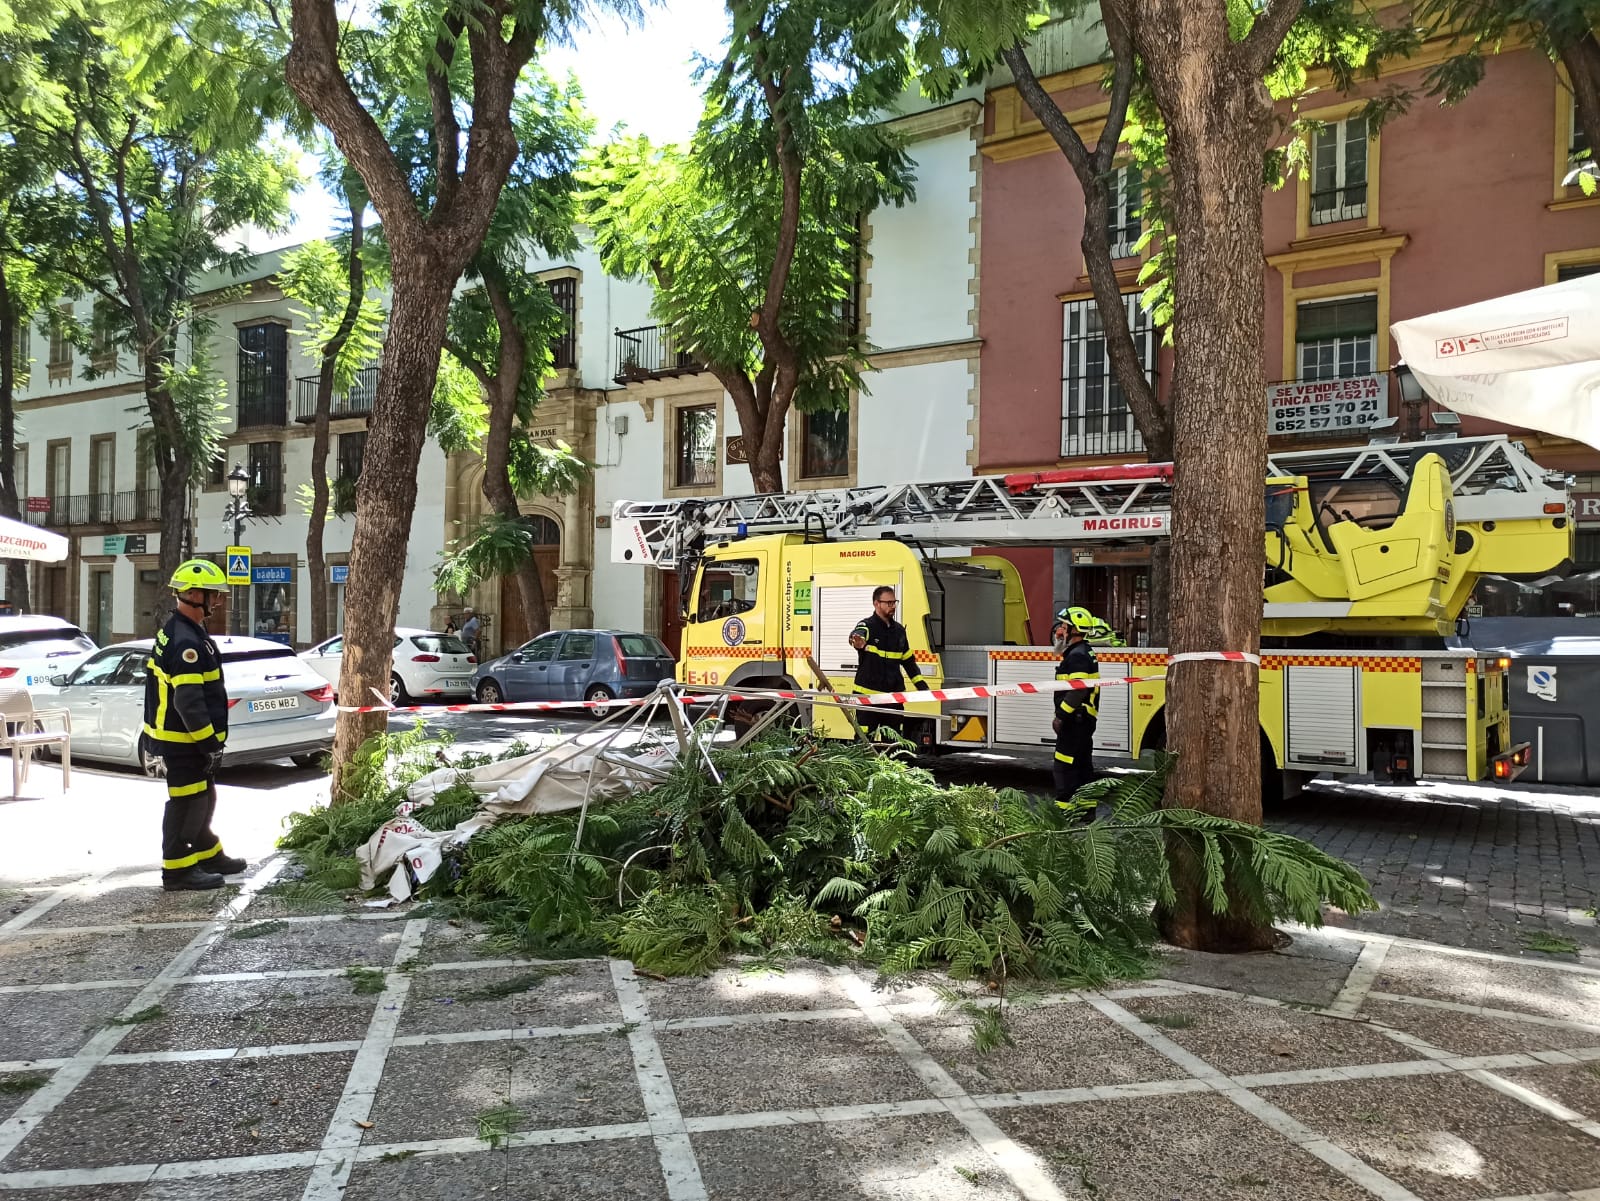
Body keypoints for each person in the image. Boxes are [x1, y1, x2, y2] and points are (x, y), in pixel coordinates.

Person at [142, 560, 247, 892]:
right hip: (182, 741)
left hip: (188, 740)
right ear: (192, 594)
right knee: (187, 802)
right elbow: (188, 702)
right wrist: (210, 744)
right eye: (212, 595)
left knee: (204, 797)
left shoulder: (186, 632)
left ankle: (207, 853)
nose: (217, 601)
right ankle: (177, 870)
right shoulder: (186, 641)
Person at [848, 585, 929, 735]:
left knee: (893, 741)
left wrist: (922, 686)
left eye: (894, 602)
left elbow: (908, 661)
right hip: (868, 699)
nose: (893, 606)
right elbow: (857, 634)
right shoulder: (867, 626)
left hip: (893, 699)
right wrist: (856, 640)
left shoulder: (899, 631)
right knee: (864, 742)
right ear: (876, 603)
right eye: (889, 603)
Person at [1052, 607, 1102, 811]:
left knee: (1064, 765)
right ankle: (1086, 809)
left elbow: (1077, 690)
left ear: (1074, 630)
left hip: (1075, 719)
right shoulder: (1082, 651)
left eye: (1064, 625)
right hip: (1083, 719)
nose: (1060, 630)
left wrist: (1061, 716)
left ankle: (1065, 811)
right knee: (1082, 765)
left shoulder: (1078, 655)